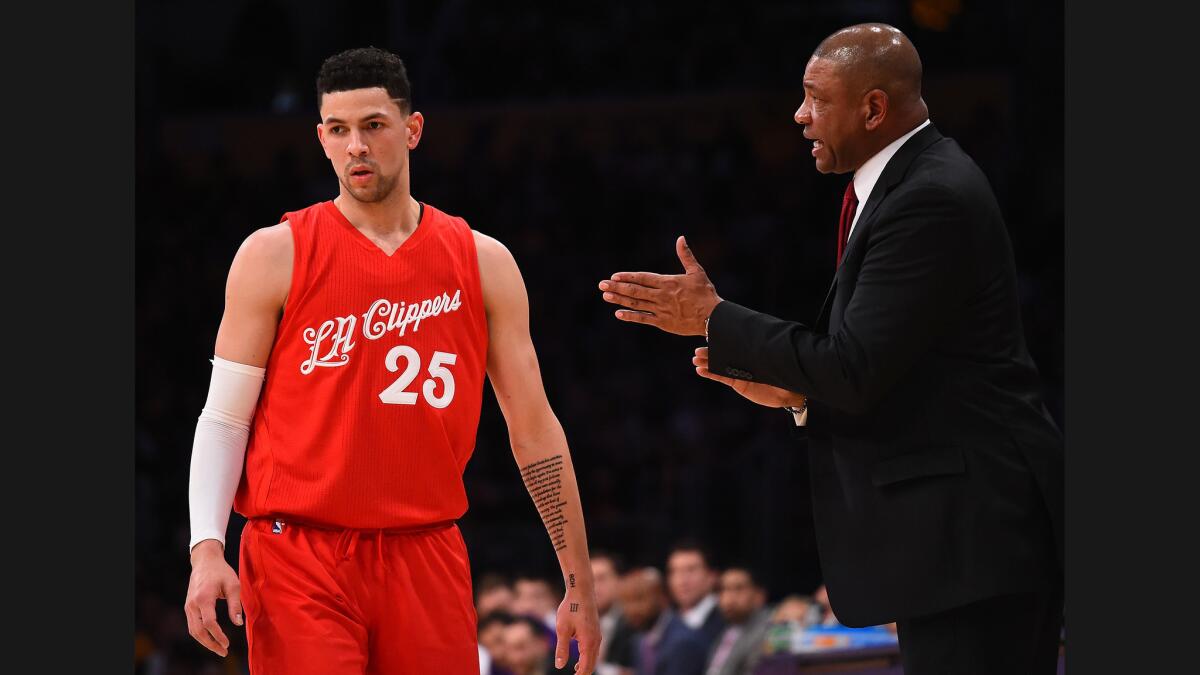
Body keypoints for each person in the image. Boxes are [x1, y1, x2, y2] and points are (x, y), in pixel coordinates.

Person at [598, 23, 1063, 675]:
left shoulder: (930, 197)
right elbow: (893, 372)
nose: (799, 114)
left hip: (977, 539)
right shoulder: (903, 186)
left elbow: (852, 366)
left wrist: (716, 318)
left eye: (816, 97)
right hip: (963, 543)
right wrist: (797, 398)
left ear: (873, 108)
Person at [183, 46, 601, 675]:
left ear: (413, 129)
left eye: (374, 126)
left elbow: (535, 430)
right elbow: (224, 418)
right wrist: (206, 550)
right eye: (339, 130)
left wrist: (578, 580)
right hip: (298, 551)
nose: (356, 146)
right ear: (321, 139)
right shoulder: (274, 254)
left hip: (427, 549)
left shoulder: (483, 262)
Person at [617, 567, 708, 675]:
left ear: (662, 597)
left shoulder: (683, 642)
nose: (632, 610)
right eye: (626, 602)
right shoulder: (638, 641)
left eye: (639, 599)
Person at [704, 567, 772, 675]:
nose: (728, 598)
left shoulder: (767, 632)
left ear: (759, 595)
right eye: (723, 590)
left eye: (738, 589)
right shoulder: (723, 632)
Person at [665, 542, 725, 648]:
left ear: (712, 576)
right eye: (675, 571)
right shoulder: (666, 622)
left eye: (691, 570)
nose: (682, 581)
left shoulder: (726, 621)